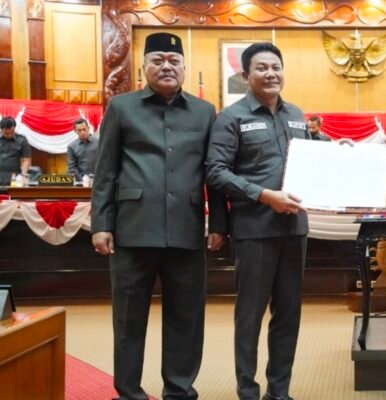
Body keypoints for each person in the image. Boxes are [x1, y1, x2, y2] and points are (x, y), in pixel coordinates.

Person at [90, 32, 227, 400]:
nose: (167, 66)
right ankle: (128, 392)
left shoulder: (204, 111)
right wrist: (101, 224)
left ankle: (179, 390)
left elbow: (213, 172)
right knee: (128, 320)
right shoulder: (121, 107)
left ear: (184, 67)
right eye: (158, 60)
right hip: (132, 230)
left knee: (186, 319)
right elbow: (105, 171)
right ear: (144, 66)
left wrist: (219, 224)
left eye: (174, 60)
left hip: (186, 230)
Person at [207, 42, 309, 400]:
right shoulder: (230, 117)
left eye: (276, 67)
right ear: (245, 75)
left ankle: (278, 392)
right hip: (255, 230)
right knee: (249, 315)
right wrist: (264, 195)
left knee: (288, 314)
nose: (270, 74)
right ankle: (247, 391)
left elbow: (309, 159)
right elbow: (215, 172)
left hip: (294, 229)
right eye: (261, 68)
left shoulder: (296, 114)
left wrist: (335, 148)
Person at [0, 116, 31, 186]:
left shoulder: (22, 140)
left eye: (12, 132)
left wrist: (23, 175)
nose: (9, 135)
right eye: (6, 133)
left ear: (14, 128)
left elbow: (26, 160)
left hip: (14, 178)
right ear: (1, 129)